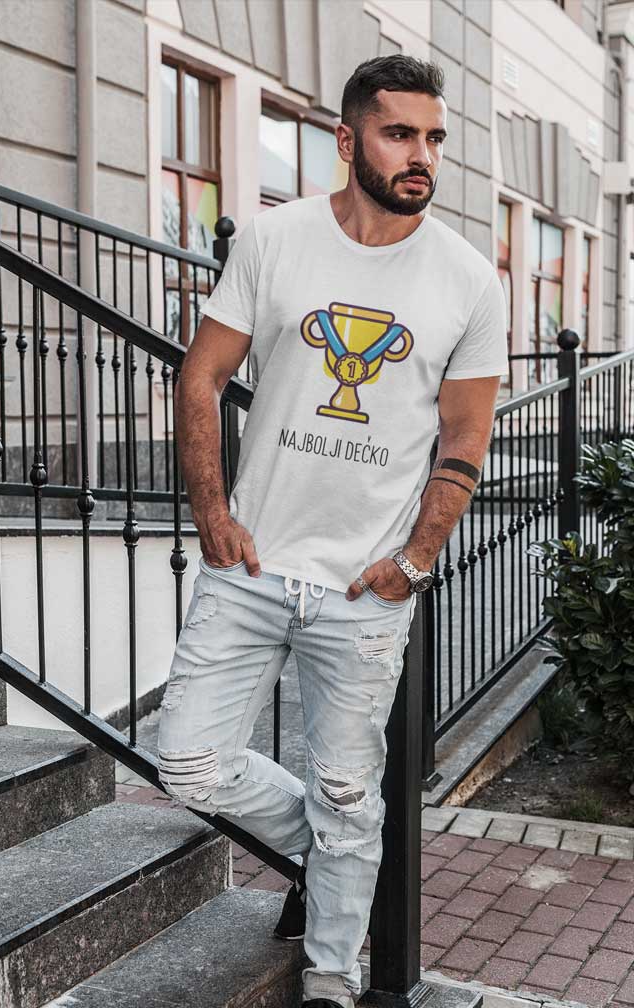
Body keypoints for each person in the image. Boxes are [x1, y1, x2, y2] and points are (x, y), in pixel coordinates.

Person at [157, 54, 508, 1008]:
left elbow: (465, 438)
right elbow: (201, 376)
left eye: (434, 138)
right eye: (400, 134)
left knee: (353, 790)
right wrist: (211, 511)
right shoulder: (275, 240)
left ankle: (330, 977)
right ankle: (330, 848)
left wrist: (416, 559)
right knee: (187, 763)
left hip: (365, 587)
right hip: (252, 564)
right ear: (347, 141)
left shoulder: (468, 280)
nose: (421, 155)